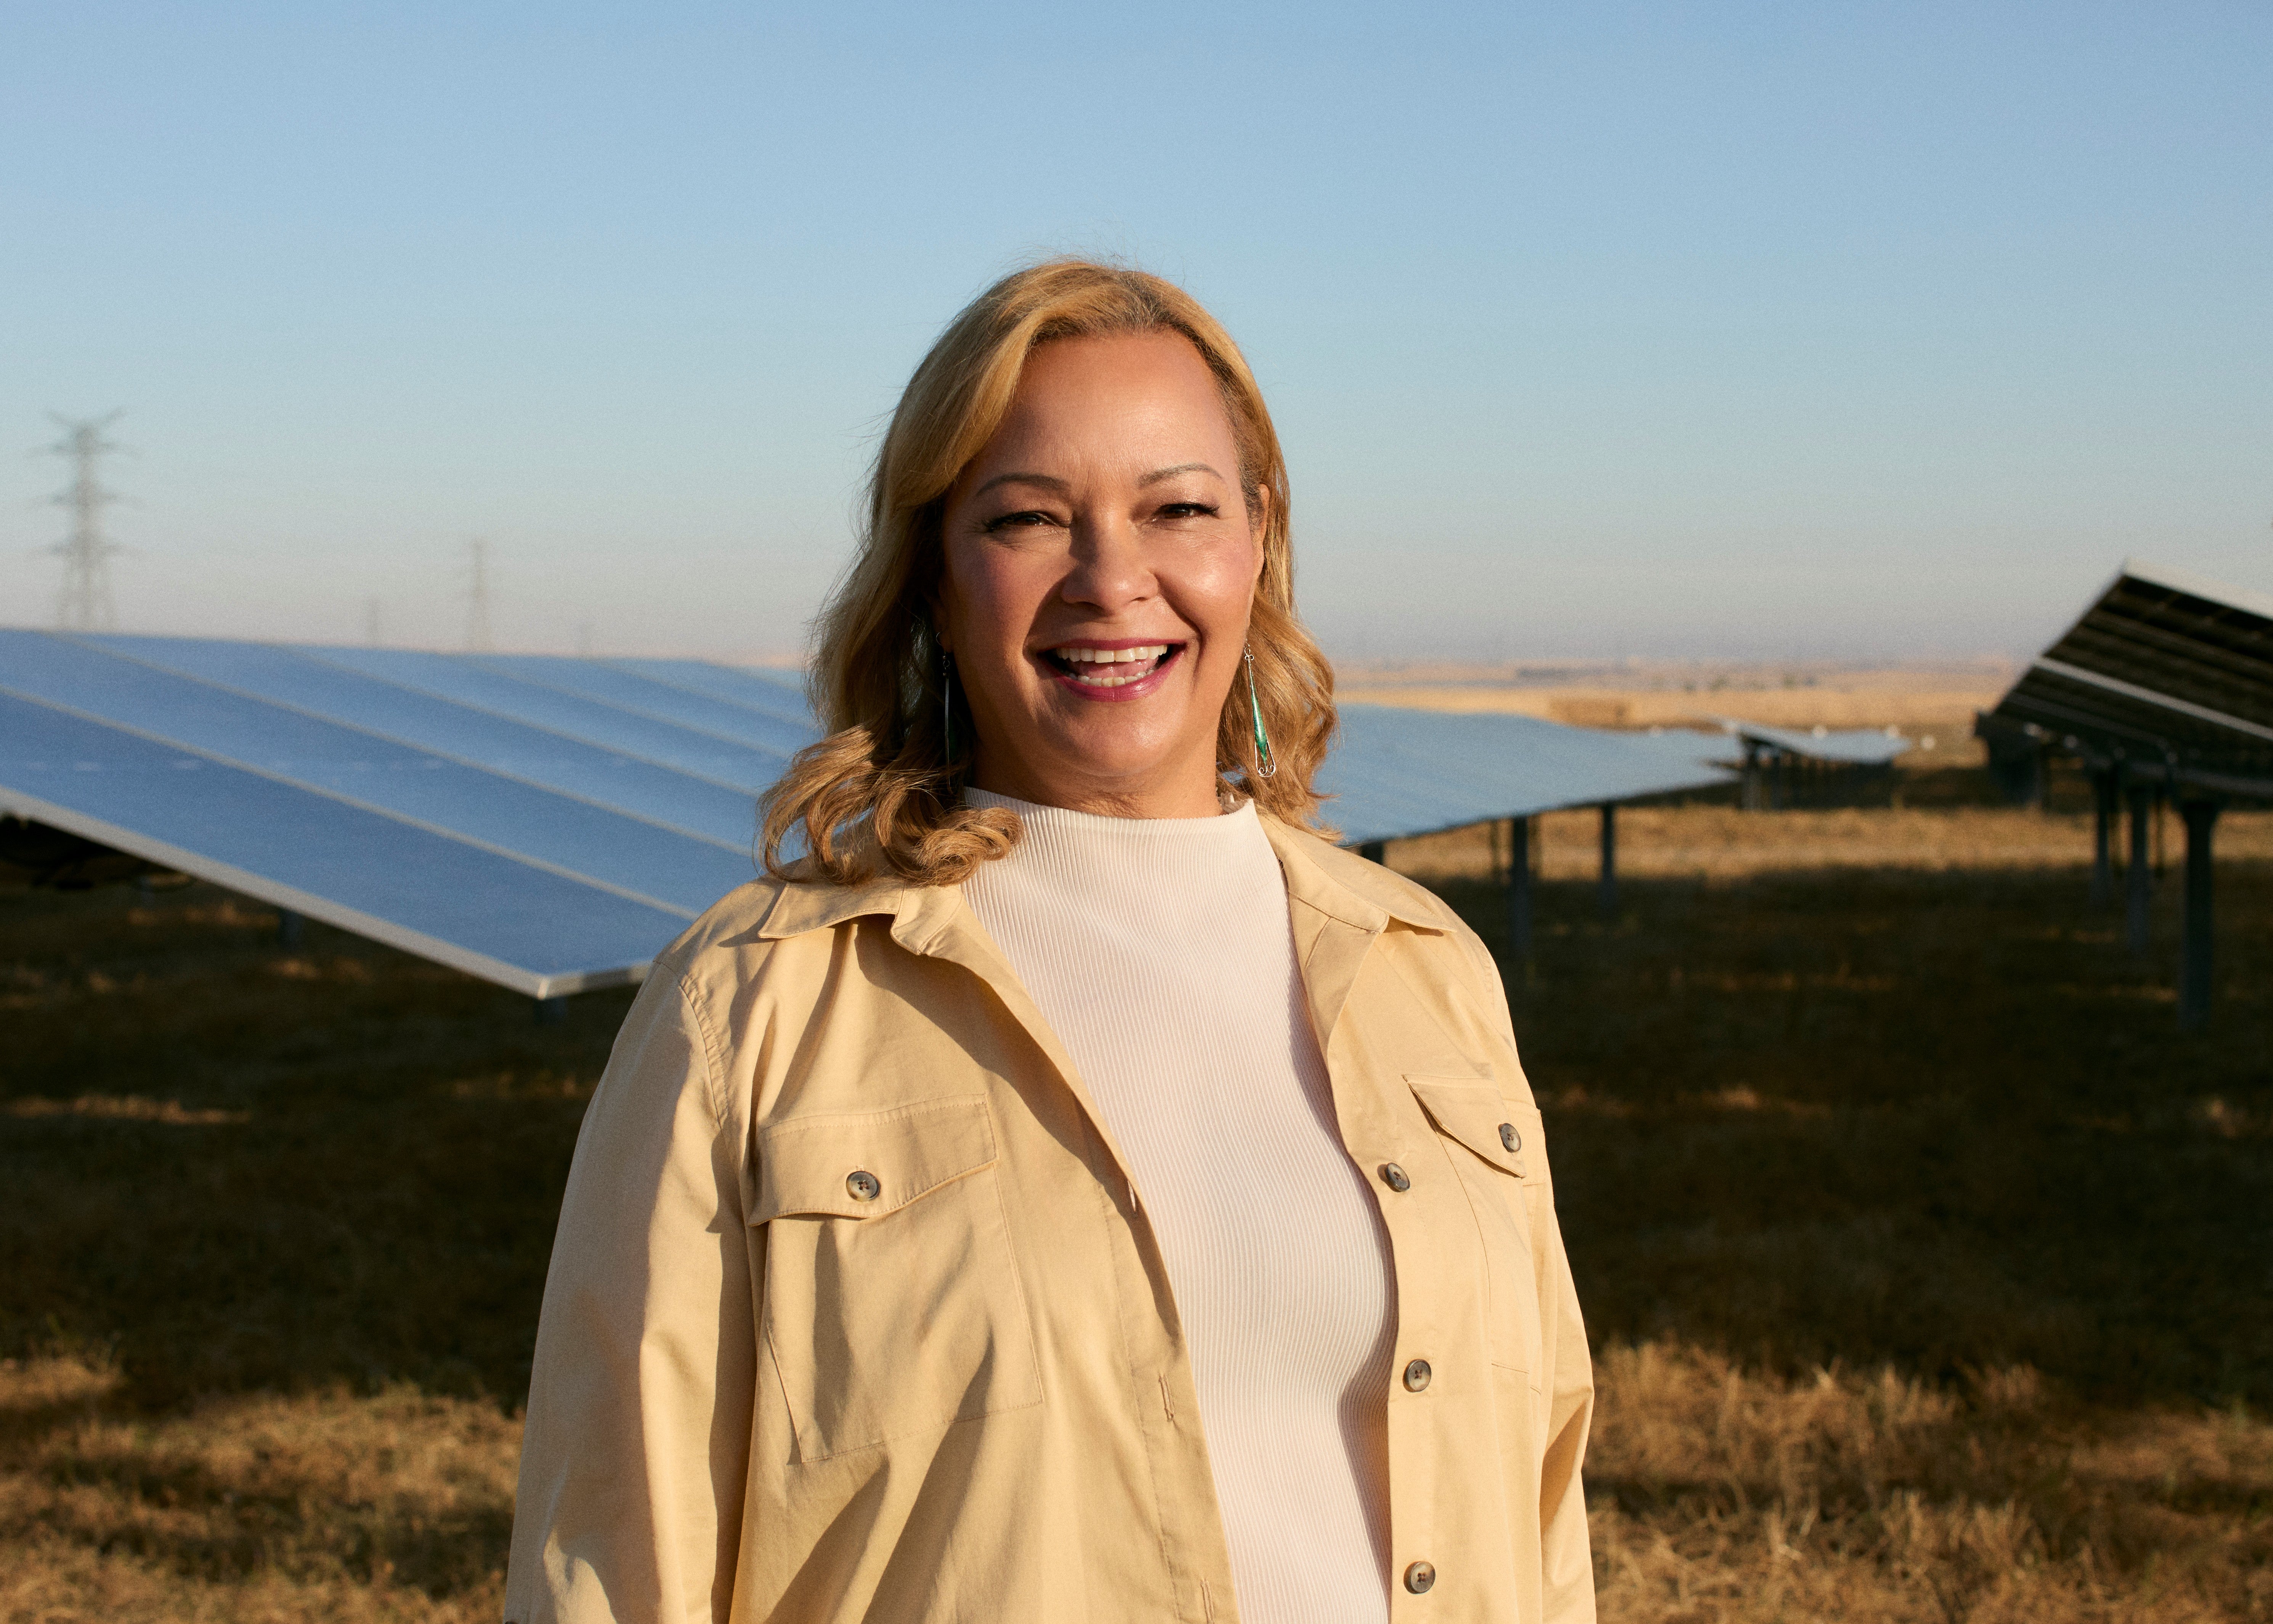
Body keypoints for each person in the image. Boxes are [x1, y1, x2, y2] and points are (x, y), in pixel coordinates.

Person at [504, 260, 1594, 1624]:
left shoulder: (1424, 967)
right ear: (936, 582)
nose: (1111, 579)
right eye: (1027, 519)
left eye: (1176, 508)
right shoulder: (756, 1004)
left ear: (1255, 541)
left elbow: (1541, 1511)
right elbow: (615, 1553)